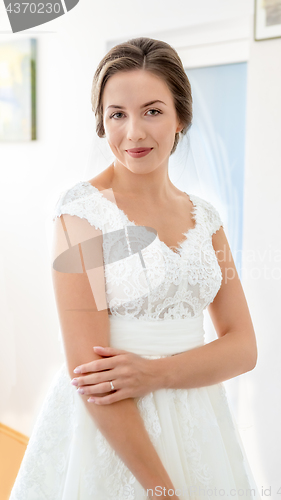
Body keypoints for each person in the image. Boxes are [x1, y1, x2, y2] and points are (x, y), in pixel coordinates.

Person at [9, 37, 261, 500]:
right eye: (117, 115)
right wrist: (161, 489)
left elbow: (244, 347)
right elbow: (91, 375)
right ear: (102, 124)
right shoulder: (80, 214)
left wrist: (156, 373)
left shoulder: (206, 218)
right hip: (111, 432)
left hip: (198, 419)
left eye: (152, 111)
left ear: (181, 117)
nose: (134, 134)